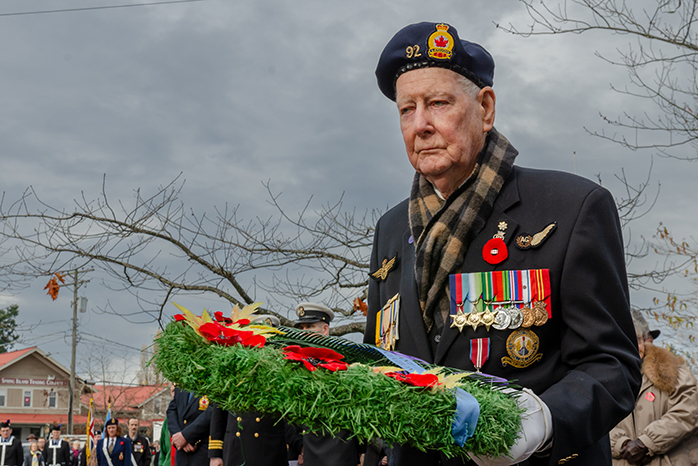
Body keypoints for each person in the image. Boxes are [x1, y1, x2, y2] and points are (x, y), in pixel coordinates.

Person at [364, 21, 642, 465]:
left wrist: (547, 420)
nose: (420, 125)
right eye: (406, 109)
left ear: (485, 108)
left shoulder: (572, 207)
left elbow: (614, 366)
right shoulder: (391, 228)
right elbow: (380, 361)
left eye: (438, 103)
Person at [611, 311, 698, 465]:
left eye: (637, 339)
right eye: (626, 339)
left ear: (645, 340)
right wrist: (621, 444)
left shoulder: (674, 369)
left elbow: (690, 409)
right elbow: (591, 421)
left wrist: (646, 442)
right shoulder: (600, 377)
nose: (633, 346)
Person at [208, 315, 289, 466]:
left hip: (271, 451)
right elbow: (218, 413)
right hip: (236, 449)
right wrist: (215, 454)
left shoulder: (281, 371)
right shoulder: (232, 368)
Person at [293, 303, 363, 466]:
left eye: (310, 327)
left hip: (340, 449)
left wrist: (363, 450)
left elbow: (359, 406)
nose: (304, 332)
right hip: (310, 450)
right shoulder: (297, 362)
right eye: (302, 328)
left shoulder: (345, 359)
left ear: (325, 329)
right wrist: (300, 446)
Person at [167, 387, 212, 466]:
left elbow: (211, 411)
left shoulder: (212, 380)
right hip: (182, 452)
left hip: (202, 450)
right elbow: (172, 409)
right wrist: (178, 435)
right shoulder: (182, 382)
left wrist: (186, 436)